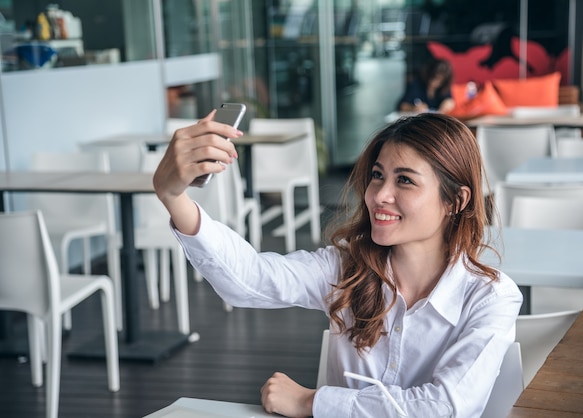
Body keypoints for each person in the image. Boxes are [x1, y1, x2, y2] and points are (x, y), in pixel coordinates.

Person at [153, 112, 522, 418]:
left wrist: (312, 402)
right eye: (378, 175)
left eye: (405, 180)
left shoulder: (492, 297)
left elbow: (445, 407)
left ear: (456, 201)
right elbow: (250, 279)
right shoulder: (346, 269)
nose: (379, 195)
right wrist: (173, 195)